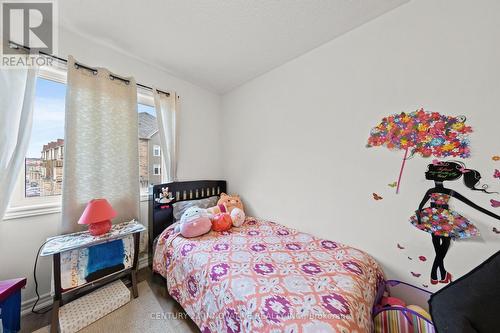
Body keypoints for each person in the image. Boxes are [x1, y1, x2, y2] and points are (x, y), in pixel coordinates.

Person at [409, 161, 500, 284]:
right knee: (442, 244)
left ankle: (436, 274)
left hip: (432, 217)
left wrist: (420, 215)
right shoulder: (446, 191)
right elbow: (471, 204)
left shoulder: (433, 190)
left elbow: (421, 206)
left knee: (439, 244)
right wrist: (420, 214)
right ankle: (439, 274)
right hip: (440, 218)